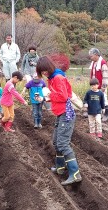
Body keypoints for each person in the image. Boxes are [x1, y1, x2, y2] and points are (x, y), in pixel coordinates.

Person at [36, 54, 82, 186]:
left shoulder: (57, 78)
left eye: (45, 70)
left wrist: (49, 95)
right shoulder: (52, 78)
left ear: (50, 67)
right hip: (60, 113)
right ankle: (60, 167)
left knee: (62, 143)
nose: (44, 74)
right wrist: (46, 98)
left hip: (66, 114)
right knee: (56, 142)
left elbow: (62, 96)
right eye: (41, 72)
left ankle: (75, 173)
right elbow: (58, 96)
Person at [88, 48, 108, 121]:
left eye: (91, 56)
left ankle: (106, 114)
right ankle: (98, 114)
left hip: (101, 85)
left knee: (104, 99)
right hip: (95, 86)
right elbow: (93, 74)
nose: (90, 57)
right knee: (96, 100)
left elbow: (105, 75)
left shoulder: (102, 63)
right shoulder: (93, 63)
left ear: (96, 55)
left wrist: (104, 86)